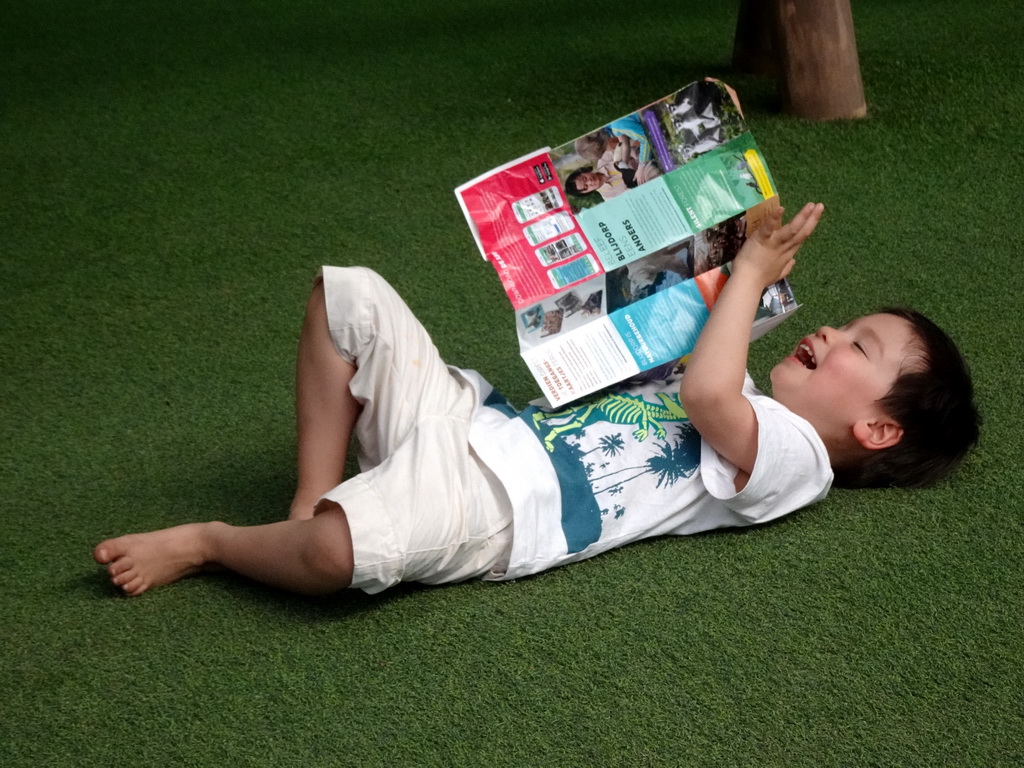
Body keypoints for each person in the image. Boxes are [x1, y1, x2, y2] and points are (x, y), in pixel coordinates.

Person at [93, 203, 980, 597]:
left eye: (857, 346)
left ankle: (215, 543)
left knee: (337, 555)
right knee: (347, 295)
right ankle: (304, 498)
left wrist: (749, 275)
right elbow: (618, 351)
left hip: (496, 509)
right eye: (842, 325)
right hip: (474, 426)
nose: (827, 332)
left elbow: (710, 396)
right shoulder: (744, 377)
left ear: (876, 427)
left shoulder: (800, 461)